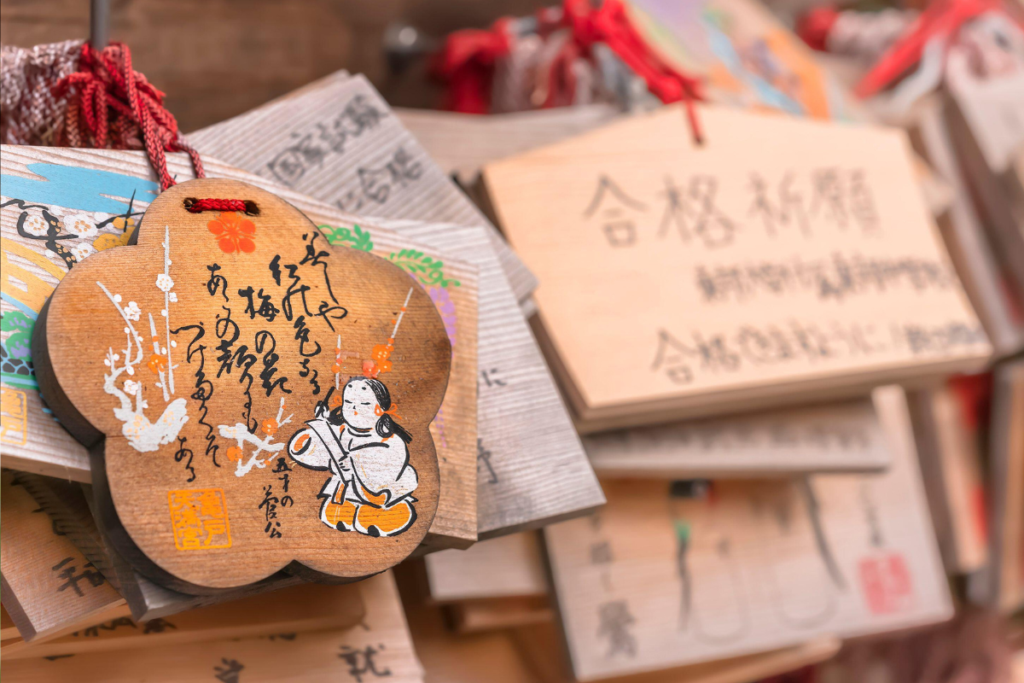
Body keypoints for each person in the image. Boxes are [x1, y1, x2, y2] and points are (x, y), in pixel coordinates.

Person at [287, 378, 417, 537]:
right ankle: (349, 511)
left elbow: (390, 461)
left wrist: (356, 460)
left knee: (380, 508)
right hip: (347, 487)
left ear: (380, 409)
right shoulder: (341, 431)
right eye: (348, 402)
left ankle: (384, 515)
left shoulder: (390, 439)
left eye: (364, 404)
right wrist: (319, 428)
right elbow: (324, 448)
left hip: (377, 490)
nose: (354, 408)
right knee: (337, 509)